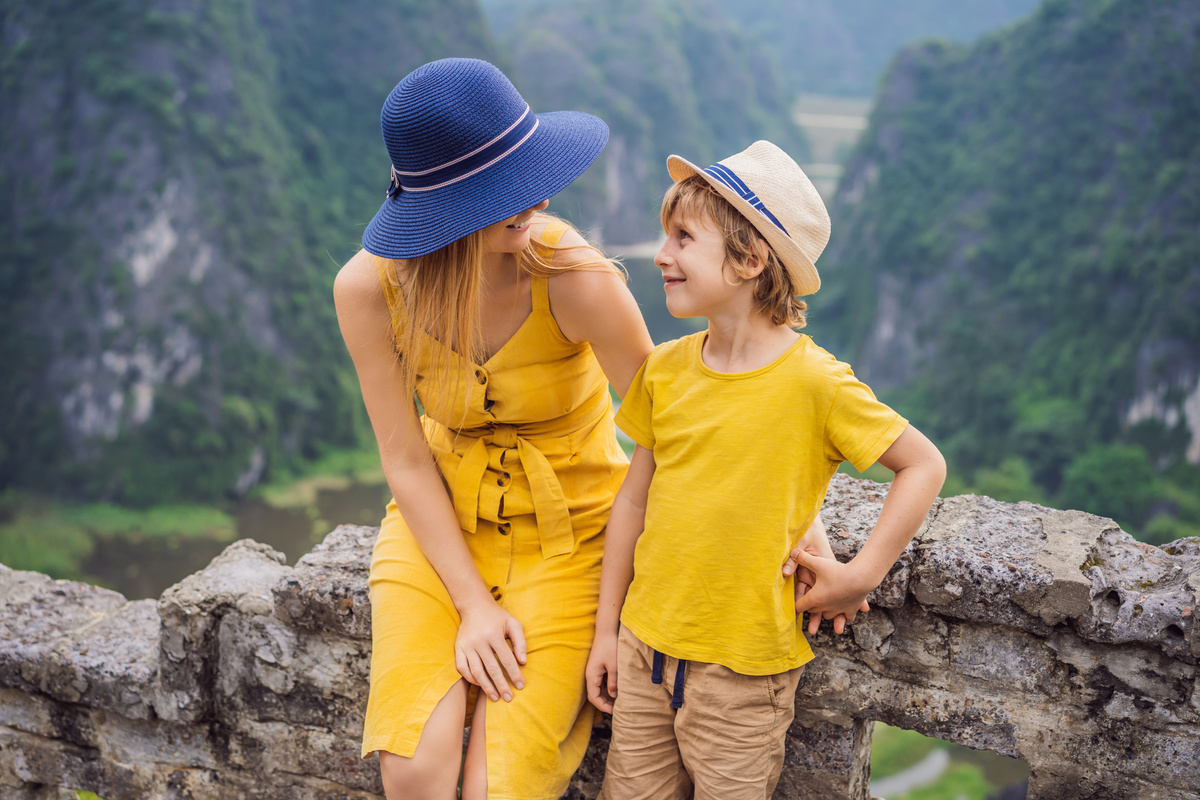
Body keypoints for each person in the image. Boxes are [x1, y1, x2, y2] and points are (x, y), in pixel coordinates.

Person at [332, 58, 659, 800]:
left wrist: (792, 521)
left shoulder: (574, 278)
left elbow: (673, 426)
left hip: (570, 535)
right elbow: (405, 459)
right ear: (444, 205)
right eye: (504, 190)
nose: (539, 198)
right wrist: (473, 605)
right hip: (437, 525)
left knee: (497, 788)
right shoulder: (368, 290)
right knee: (414, 771)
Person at [585, 141, 947, 800]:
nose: (661, 255)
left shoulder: (815, 383)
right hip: (643, 652)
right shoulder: (665, 370)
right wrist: (607, 631)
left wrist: (859, 574)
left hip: (744, 673)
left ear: (750, 260)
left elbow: (922, 464)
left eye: (683, 238)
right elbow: (633, 504)